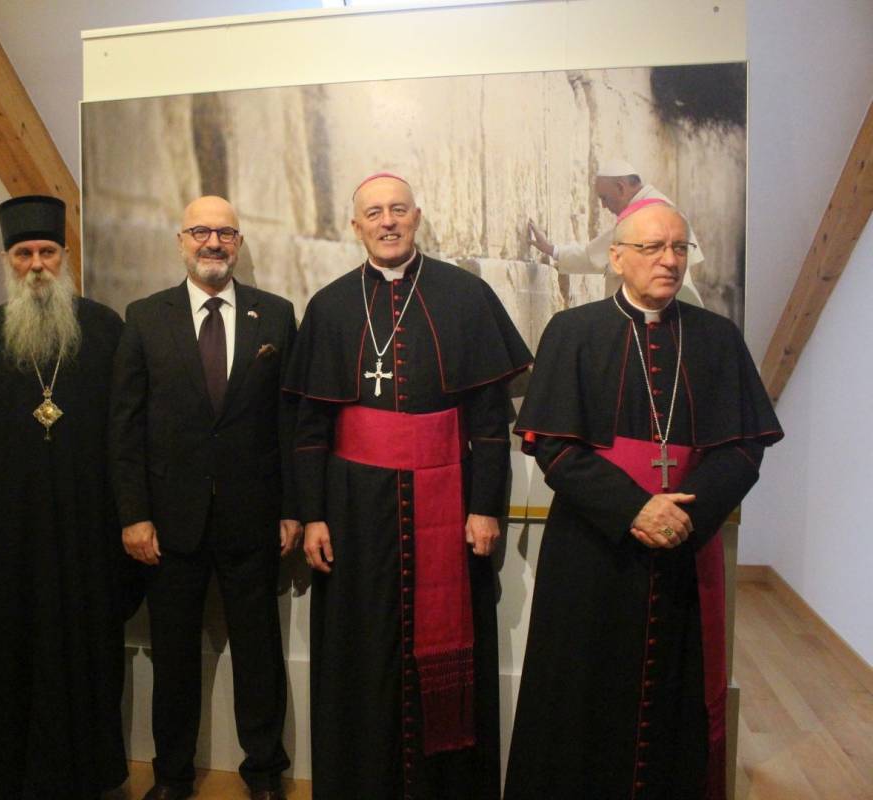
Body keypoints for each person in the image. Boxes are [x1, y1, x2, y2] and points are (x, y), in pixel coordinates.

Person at [505, 200, 782, 799]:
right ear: (617, 258)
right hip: (592, 547)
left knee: (673, 695)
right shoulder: (574, 332)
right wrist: (634, 507)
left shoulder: (715, 337)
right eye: (654, 248)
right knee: (581, 690)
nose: (669, 260)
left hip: (684, 544)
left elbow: (744, 449)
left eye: (679, 248)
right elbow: (552, 446)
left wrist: (685, 514)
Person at [285, 173, 532, 799]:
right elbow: (311, 427)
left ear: (416, 217)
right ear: (356, 225)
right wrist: (312, 515)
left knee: (448, 653)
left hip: (447, 507)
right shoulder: (331, 305)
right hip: (353, 510)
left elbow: (488, 421)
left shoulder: (465, 296)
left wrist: (485, 509)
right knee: (360, 653)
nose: (388, 221)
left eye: (398, 209)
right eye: (374, 212)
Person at [110, 196, 300, 800]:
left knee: (259, 656)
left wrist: (293, 507)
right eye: (200, 232)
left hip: (254, 521)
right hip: (169, 526)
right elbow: (125, 427)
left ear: (239, 243)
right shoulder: (144, 316)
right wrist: (134, 515)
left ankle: (265, 771)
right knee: (173, 661)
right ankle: (171, 776)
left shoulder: (276, 316)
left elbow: (289, 424)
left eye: (224, 233)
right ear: (181, 240)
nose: (212, 243)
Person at [0, 195, 132, 799]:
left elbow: (127, 431)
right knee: (12, 658)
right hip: (8, 539)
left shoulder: (106, 328)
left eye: (48, 252)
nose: (37, 264)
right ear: (8, 260)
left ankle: (93, 774)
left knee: (91, 657)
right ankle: (16, 775)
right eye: (24, 253)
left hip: (88, 532)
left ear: (65, 257)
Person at [527, 158, 705, 304]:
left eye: (605, 198)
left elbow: (593, 256)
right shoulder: (658, 205)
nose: (604, 206)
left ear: (621, 188)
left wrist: (552, 250)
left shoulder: (645, 214)